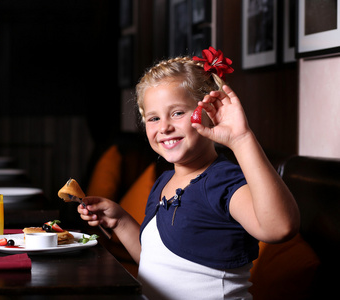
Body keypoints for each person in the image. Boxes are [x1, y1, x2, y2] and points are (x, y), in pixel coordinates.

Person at [78, 47, 300, 300]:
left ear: (208, 113)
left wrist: (241, 139)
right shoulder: (163, 182)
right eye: (153, 118)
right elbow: (156, 263)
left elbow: (280, 228)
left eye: (178, 113)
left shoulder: (223, 181)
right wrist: (119, 220)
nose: (165, 127)